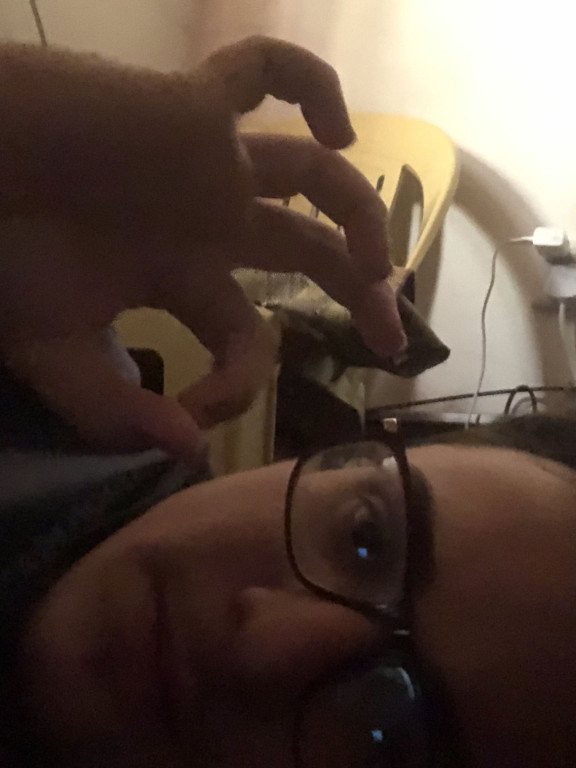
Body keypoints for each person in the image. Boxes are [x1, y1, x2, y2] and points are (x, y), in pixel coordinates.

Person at [1, 34, 576, 768]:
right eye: (365, 535)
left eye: (388, 744)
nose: (266, 645)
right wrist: (27, 126)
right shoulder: (39, 339)